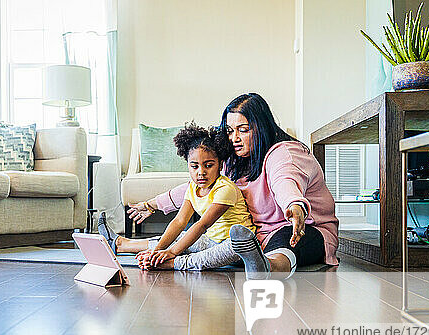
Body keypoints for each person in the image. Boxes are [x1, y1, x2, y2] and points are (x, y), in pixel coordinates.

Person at [126, 93, 339, 277]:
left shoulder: (284, 153)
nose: (234, 138)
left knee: (285, 242)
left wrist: (294, 205)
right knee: (194, 239)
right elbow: (199, 186)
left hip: (301, 229)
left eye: (243, 130)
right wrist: (152, 204)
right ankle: (125, 245)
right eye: (229, 130)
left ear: (262, 128)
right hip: (252, 237)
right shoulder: (234, 160)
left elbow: (285, 181)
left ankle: (268, 269)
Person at [98, 122, 255, 271]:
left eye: (208, 165)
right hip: (210, 241)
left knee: (220, 251)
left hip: (234, 246)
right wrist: (159, 250)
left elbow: (202, 225)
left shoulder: (225, 189)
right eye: (194, 166)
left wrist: (171, 253)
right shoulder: (193, 187)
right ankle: (136, 250)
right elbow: (179, 221)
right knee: (180, 236)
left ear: (220, 165)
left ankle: (172, 263)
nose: (201, 172)